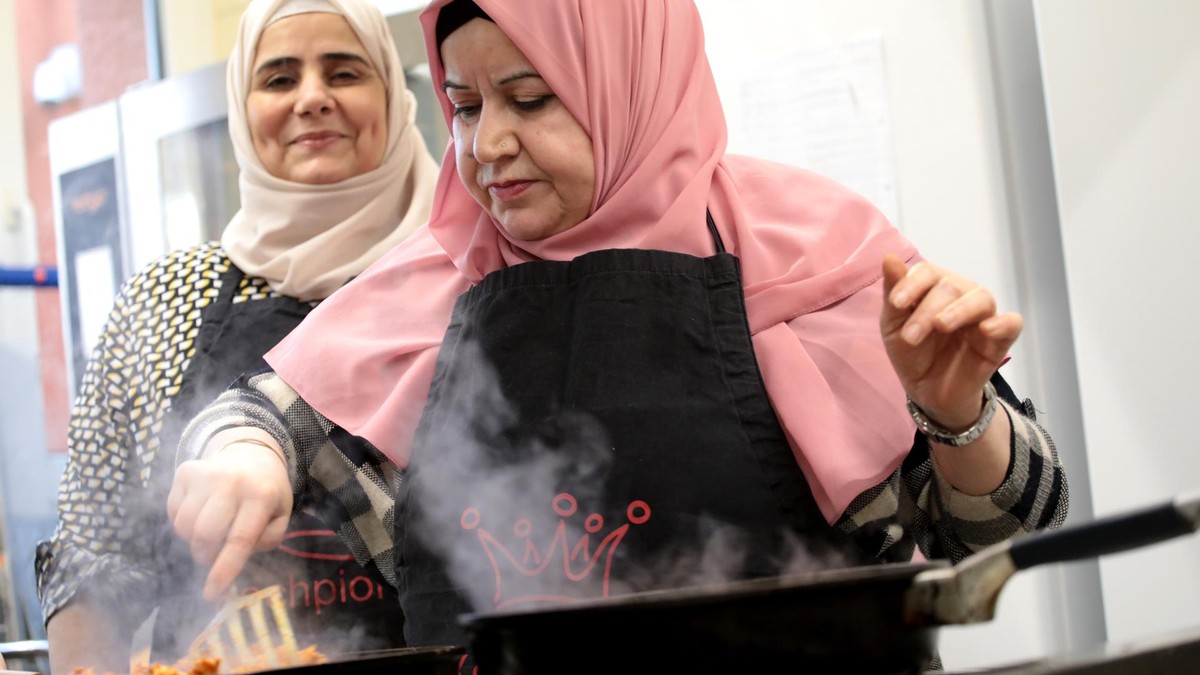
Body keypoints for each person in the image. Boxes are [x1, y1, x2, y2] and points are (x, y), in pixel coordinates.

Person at [168, 0, 1068, 662]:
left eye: (530, 98)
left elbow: (1001, 532)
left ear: (631, 85)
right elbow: (258, 413)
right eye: (466, 106)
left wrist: (957, 416)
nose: (487, 145)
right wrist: (244, 455)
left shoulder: (812, 249)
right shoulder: (440, 277)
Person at [34, 0, 440, 672]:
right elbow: (93, 551)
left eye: (344, 73)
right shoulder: (165, 298)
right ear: (242, 111)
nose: (312, 98)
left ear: (396, 97)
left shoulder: (457, 273)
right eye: (279, 78)